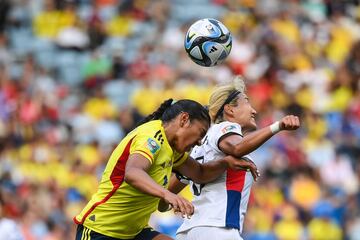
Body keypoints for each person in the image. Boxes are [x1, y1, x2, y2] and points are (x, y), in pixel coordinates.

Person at [74, 98, 258, 240]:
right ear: (184, 119)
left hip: (134, 232)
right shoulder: (152, 137)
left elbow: (200, 173)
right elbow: (133, 173)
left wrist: (225, 163)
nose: (200, 142)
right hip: (101, 230)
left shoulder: (173, 150)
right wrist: (168, 194)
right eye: (200, 133)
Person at [159, 76, 300, 240]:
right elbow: (237, 147)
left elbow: (163, 201)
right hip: (218, 229)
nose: (254, 110)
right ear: (229, 109)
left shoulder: (199, 145)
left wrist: (175, 201)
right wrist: (277, 126)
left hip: (189, 231)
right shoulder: (225, 127)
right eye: (247, 102)